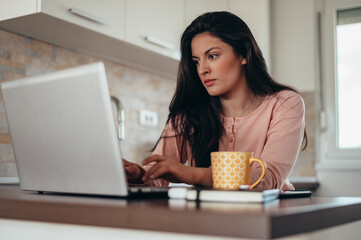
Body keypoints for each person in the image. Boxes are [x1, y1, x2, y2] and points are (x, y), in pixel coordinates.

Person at [124, 11, 307, 191]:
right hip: (208, 217)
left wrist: (192, 174)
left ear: (243, 53)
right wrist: (138, 174)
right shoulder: (189, 114)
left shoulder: (285, 103)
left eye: (212, 56)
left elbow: (270, 178)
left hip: (268, 216)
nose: (202, 69)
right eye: (196, 61)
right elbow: (157, 175)